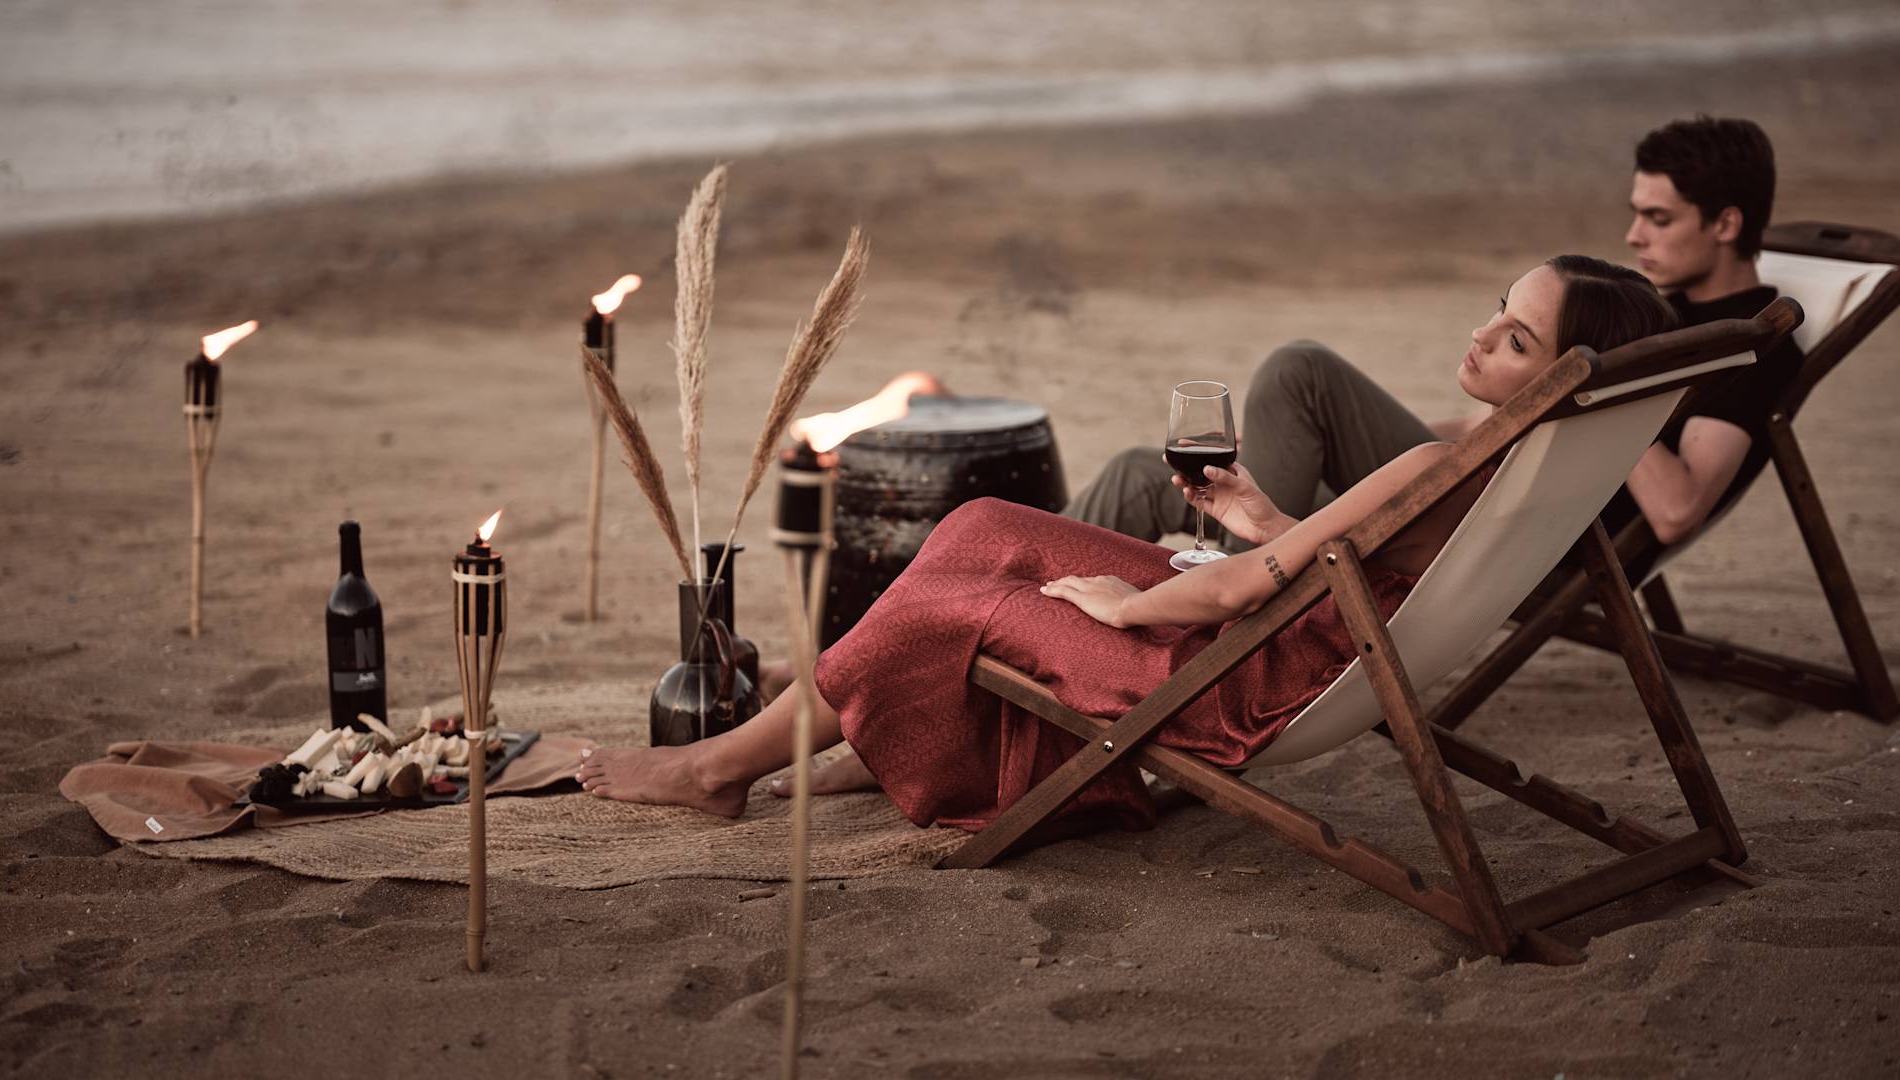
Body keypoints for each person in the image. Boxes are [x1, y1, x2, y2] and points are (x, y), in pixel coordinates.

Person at [577, 257, 1678, 828]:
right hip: (1296, 634)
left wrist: (1127, 604)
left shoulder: (1441, 461)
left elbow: (1237, 595)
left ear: (1560, 379)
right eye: (1499, 307)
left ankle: (718, 766)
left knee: (965, 599)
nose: (1483, 334)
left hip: (1244, 672)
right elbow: (1351, 565)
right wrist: (1258, 518)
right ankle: (875, 731)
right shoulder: (1503, 463)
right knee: (981, 527)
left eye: (1517, 337)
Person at [1064, 115, 1802, 550]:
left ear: (1727, 223)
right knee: (1139, 470)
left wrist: (1610, 379)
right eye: (1637, 212)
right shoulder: (1648, 303)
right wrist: (1418, 439)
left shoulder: (1741, 345)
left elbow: (1675, 512)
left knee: (1302, 370)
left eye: (1659, 218)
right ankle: (954, 573)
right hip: (1476, 481)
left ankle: (1243, 578)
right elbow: (1510, 419)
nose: (1633, 234)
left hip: (1512, 534)